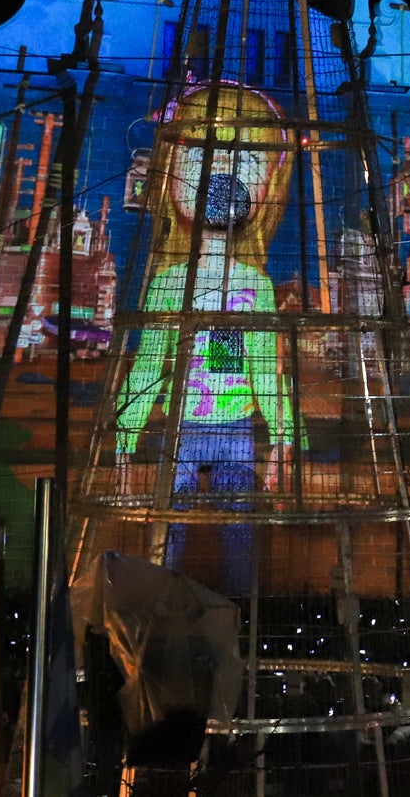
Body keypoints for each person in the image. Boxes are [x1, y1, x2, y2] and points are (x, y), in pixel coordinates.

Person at [116, 82, 305, 593]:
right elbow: (150, 364)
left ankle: (238, 615)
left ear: (268, 181)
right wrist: (127, 430)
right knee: (168, 525)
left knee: (239, 528)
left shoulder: (256, 287)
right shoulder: (169, 283)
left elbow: (267, 371)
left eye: (246, 158)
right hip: (179, 427)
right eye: (202, 153)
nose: (223, 169)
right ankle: (160, 610)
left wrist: (285, 436)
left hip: (236, 430)